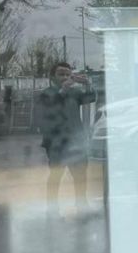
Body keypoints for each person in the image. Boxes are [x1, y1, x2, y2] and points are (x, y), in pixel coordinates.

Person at [36, 62, 96, 215]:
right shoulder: (46, 93)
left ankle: (82, 205)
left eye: (68, 74)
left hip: (76, 141)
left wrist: (88, 84)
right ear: (52, 77)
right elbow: (50, 107)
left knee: (80, 175)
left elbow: (90, 98)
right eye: (61, 74)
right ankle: (52, 209)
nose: (65, 77)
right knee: (56, 175)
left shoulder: (74, 92)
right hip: (56, 143)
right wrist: (63, 89)